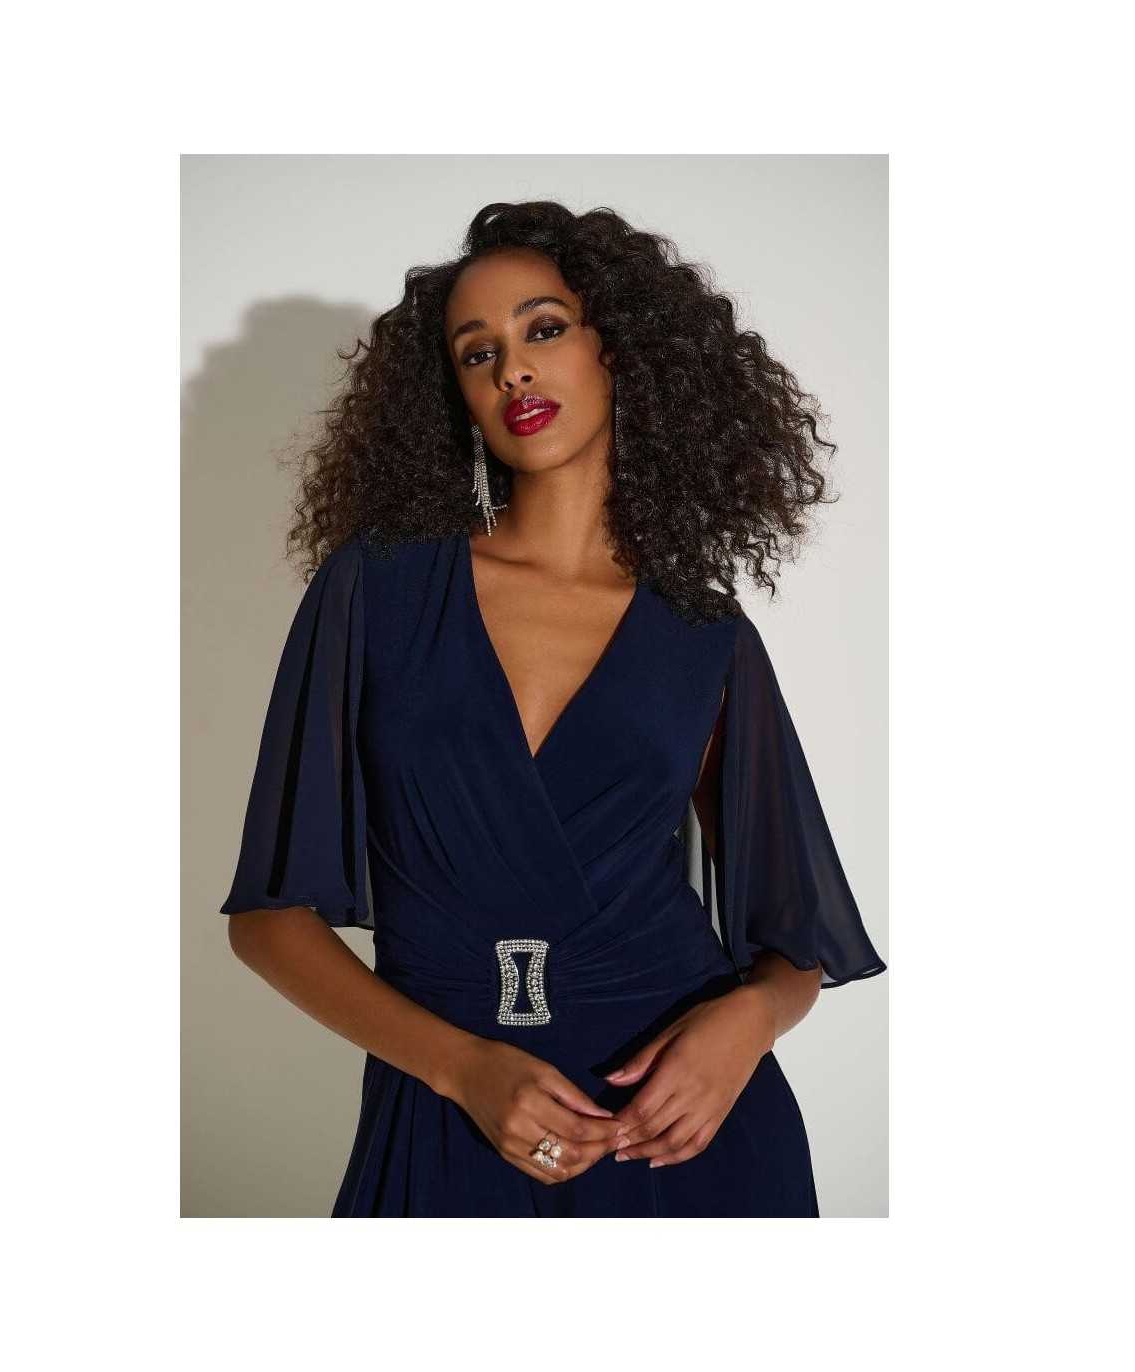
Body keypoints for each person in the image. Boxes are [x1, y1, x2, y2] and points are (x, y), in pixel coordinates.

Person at [219, 200, 886, 1217]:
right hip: (443, 1108)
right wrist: (461, 1068)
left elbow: (795, 932)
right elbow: (269, 922)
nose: (512, 372)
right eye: (477, 352)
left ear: (623, 350)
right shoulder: (378, 589)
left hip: (680, 1131)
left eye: (544, 329)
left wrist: (746, 1025)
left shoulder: (703, 633)